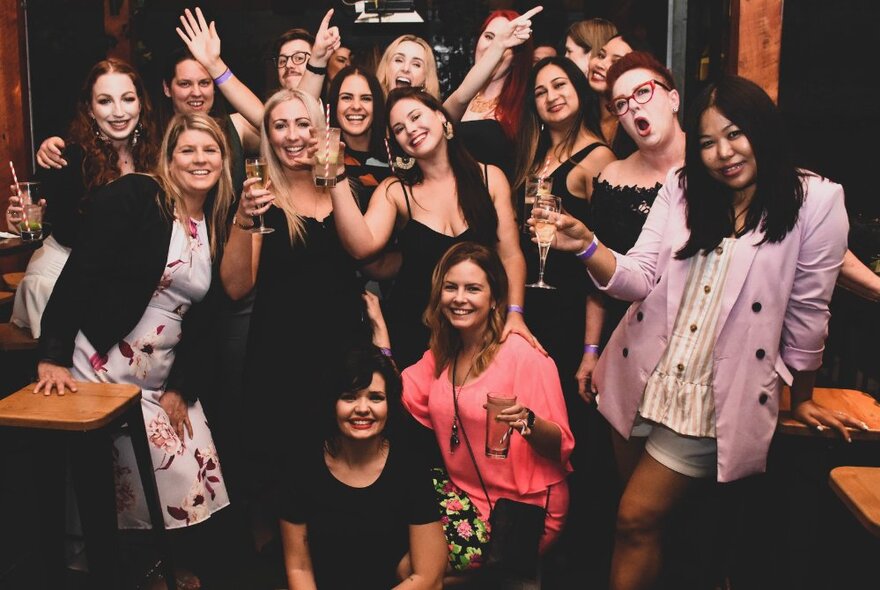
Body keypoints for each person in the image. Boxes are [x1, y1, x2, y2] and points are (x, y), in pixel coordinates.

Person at [535, 75, 861, 590]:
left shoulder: (814, 201)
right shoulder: (683, 188)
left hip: (713, 395)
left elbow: (808, 313)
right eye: (707, 141)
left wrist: (801, 398)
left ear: (762, 129)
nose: (721, 153)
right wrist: (585, 245)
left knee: (634, 519)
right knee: (655, 526)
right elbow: (637, 277)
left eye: (735, 135)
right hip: (639, 375)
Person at [35, 113, 235, 586]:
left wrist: (180, 388)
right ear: (168, 157)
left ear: (225, 161)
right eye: (188, 150)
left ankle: (155, 566)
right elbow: (80, 272)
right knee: (124, 475)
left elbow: (204, 319)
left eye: (210, 151)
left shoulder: (213, 222)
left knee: (188, 457)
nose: (200, 160)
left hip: (159, 372)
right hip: (102, 359)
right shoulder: (138, 196)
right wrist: (53, 353)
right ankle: (124, 572)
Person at [220, 88, 369, 545]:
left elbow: (363, 250)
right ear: (266, 136)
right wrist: (243, 219)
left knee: (340, 456)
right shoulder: (262, 195)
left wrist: (338, 174)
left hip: (343, 348)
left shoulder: (343, 185)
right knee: (281, 469)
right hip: (283, 355)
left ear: (321, 130)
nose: (292, 135)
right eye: (279, 125)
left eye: (303, 124)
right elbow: (235, 286)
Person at [391, 242, 574, 567]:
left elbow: (561, 446)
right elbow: (393, 392)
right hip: (462, 497)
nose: (459, 298)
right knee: (392, 537)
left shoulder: (524, 356)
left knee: (413, 569)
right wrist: (378, 329)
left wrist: (528, 422)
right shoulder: (443, 354)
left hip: (521, 510)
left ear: (495, 300)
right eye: (451, 287)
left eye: (473, 288)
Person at [326, 86, 535, 370]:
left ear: (442, 118)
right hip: (415, 333)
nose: (410, 130)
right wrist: (336, 176)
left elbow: (510, 255)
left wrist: (514, 313)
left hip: (479, 330)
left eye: (415, 117)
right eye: (399, 128)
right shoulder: (396, 191)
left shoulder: (489, 178)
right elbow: (361, 247)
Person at [6, 58, 158, 338]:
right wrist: (19, 221)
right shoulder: (66, 157)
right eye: (105, 101)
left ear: (140, 104)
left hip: (123, 280)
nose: (118, 112)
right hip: (61, 276)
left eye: (127, 99)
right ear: (90, 109)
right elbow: (38, 217)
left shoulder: (157, 156)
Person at [279, 343, 447, 589]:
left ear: (389, 405)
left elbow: (428, 577)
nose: (362, 409)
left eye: (376, 398)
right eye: (349, 397)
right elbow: (299, 568)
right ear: (332, 403)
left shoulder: (409, 466)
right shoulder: (303, 465)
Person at [513, 55, 615, 414]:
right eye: (540, 92)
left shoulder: (599, 158)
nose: (551, 96)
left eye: (559, 85)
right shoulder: (534, 156)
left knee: (559, 416)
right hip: (529, 305)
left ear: (578, 90)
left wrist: (591, 349)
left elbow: (604, 259)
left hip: (569, 309)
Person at [584, 51, 686, 401]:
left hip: (692, 344)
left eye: (643, 92)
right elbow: (599, 281)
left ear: (673, 98)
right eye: (621, 104)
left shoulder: (713, 168)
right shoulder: (613, 177)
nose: (634, 108)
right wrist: (590, 350)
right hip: (625, 342)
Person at [444, 8, 542, 181]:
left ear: (516, 59)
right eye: (489, 37)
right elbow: (441, 121)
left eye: (506, 43)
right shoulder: (460, 97)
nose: (492, 47)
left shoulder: (525, 106)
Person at [326, 66, 391, 210]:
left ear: (377, 105)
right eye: (346, 97)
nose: (356, 106)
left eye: (366, 98)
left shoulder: (393, 156)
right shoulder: (325, 161)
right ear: (334, 104)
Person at [587, 33, 641, 158]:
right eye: (601, 55)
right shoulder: (579, 116)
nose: (600, 64)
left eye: (616, 62)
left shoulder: (638, 124)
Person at [376, 35, 440, 98]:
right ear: (386, 68)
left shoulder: (431, 108)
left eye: (416, 64)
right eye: (399, 60)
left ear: (425, 78)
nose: (405, 69)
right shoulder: (369, 106)